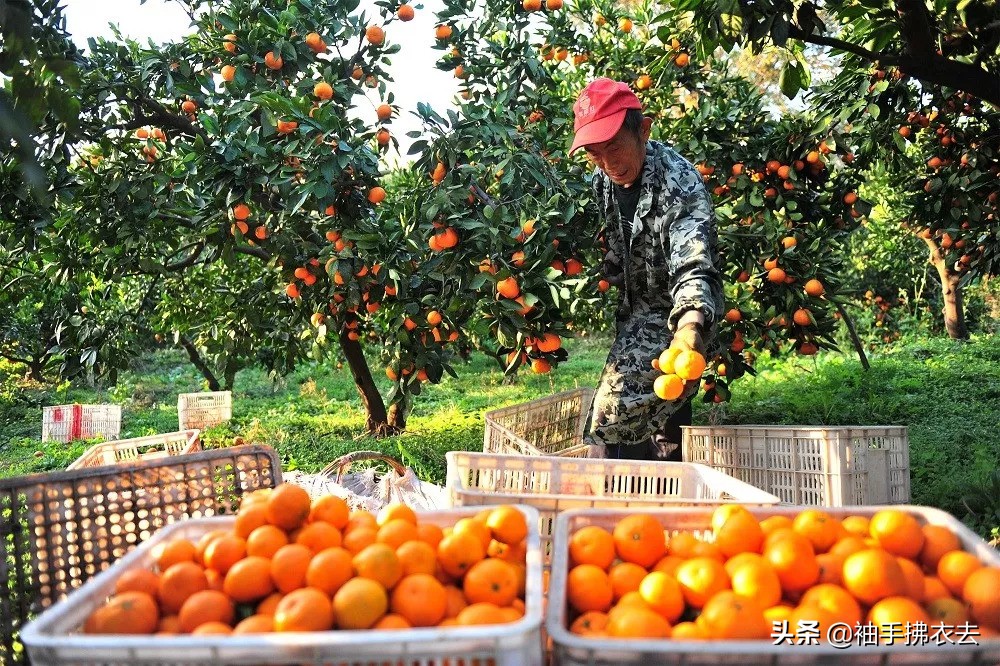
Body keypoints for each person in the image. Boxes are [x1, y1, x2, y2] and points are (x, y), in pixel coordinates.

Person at [569, 77, 725, 461]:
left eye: (615, 147)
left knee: (612, 411)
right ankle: (647, 490)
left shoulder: (679, 182)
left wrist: (689, 328)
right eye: (594, 154)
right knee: (657, 402)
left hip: (678, 308)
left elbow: (693, 260)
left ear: (644, 129)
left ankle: (636, 495)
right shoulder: (602, 182)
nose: (608, 164)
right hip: (635, 312)